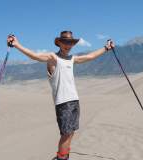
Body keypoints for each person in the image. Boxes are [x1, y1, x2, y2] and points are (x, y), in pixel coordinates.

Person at [7, 31, 115, 160]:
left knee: (71, 132)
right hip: (63, 103)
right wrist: (17, 44)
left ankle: (64, 157)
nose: (68, 45)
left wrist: (106, 48)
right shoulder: (53, 58)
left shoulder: (72, 59)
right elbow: (34, 56)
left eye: (70, 43)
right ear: (59, 43)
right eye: (65, 42)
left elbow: (90, 56)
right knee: (66, 134)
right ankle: (61, 158)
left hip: (75, 101)